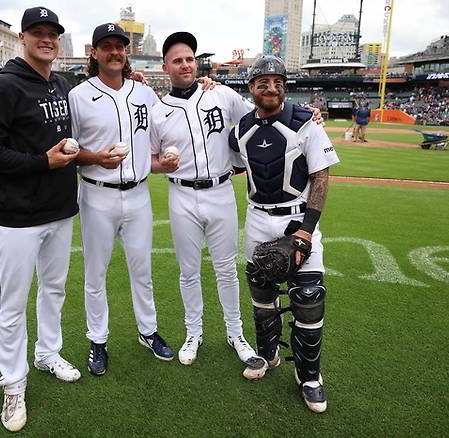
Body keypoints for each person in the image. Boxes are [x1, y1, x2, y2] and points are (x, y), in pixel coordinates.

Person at [0, 6, 81, 432]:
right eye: (38, 32)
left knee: (53, 289)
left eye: (52, 33)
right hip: (17, 215)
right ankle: (13, 382)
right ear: (23, 37)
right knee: (13, 304)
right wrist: (41, 162)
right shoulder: (3, 86)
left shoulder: (60, 83)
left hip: (59, 208)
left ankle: (47, 353)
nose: (46, 38)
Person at [229, 55, 339, 414]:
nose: (271, 88)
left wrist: (306, 232)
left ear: (284, 87)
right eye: (263, 82)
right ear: (251, 89)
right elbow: (232, 155)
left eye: (277, 82)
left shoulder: (306, 122)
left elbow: (321, 178)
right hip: (259, 219)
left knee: (308, 298)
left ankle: (309, 376)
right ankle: (267, 354)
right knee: (262, 295)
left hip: (297, 219)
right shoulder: (241, 128)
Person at [68, 23, 174, 376]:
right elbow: (69, 150)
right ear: (94, 53)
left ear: (126, 52)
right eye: (107, 46)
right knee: (95, 274)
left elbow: (170, 121)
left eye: (120, 46)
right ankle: (98, 340)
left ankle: (148, 331)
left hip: (139, 195)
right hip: (97, 195)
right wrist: (96, 157)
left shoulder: (144, 93)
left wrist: (207, 85)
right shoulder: (79, 95)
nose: (115, 51)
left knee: (142, 271)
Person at [149, 32, 260, 367]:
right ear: (165, 66)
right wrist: (160, 165)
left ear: (195, 63)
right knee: (188, 271)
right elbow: (151, 159)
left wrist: (305, 115)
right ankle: (193, 332)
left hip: (221, 191)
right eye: (177, 60)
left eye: (189, 59)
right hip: (181, 194)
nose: (185, 65)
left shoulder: (222, 94)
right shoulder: (158, 111)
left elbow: (258, 117)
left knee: (227, 269)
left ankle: (235, 333)